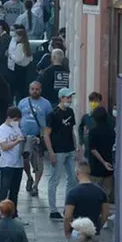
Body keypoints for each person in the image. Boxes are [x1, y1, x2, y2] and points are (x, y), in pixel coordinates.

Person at [44, 88, 78, 220]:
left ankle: (67, 207)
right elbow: (46, 134)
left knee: (73, 179)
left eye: (70, 98)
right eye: (68, 98)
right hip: (58, 150)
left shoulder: (70, 111)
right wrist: (51, 152)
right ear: (61, 98)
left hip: (69, 149)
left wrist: (76, 147)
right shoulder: (53, 114)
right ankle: (53, 209)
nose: (69, 100)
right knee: (55, 179)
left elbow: (72, 131)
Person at [17, 82, 52, 197]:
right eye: (32, 89)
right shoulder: (22, 102)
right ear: (29, 90)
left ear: (40, 90)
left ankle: (36, 186)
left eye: (37, 89)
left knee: (38, 164)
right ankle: (29, 177)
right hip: (24, 137)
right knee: (25, 160)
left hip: (38, 137)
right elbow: (17, 118)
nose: (34, 91)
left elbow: (50, 121)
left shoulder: (46, 104)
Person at [63, 161, 108, 242]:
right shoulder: (101, 192)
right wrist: (97, 227)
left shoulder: (73, 193)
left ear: (77, 173)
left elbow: (67, 216)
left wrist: (67, 232)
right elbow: (105, 215)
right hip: (94, 232)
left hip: (77, 232)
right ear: (89, 172)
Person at [0, 107, 24, 220]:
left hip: (18, 163)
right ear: (9, 118)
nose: (17, 122)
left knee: (14, 191)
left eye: (18, 120)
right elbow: (4, 147)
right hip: (7, 164)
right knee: (4, 190)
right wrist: (16, 142)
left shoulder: (17, 128)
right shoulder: (2, 130)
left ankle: (13, 213)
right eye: (15, 119)